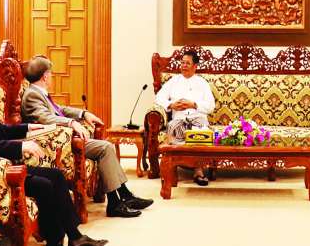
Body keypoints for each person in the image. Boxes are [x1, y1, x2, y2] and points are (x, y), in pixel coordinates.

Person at [0, 59, 107, 246]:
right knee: (44, 185)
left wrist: (27, 128)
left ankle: (75, 237)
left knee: (56, 176)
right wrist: (20, 147)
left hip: (4, 166)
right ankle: (56, 242)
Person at [21, 55, 153, 218]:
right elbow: (45, 118)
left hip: (63, 139)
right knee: (105, 148)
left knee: (106, 148)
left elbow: (59, 109)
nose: (52, 77)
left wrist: (83, 113)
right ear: (45, 76)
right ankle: (117, 202)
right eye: (51, 74)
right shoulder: (32, 95)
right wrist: (71, 123)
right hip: (54, 144)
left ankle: (123, 197)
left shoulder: (38, 93)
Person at [154, 50, 215, 185]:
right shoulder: (173, 81)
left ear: (195, 66)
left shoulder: (202, 83)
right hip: (179, 119)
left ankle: (198, 171)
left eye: (187, 63)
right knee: (174, 130)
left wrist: (194, 104)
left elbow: (211, 106)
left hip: (198, 119)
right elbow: (158, 98)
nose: (183, 66)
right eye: (182, 63)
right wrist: (171, 105)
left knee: (200, 135)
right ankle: (171, 169)